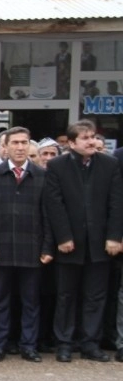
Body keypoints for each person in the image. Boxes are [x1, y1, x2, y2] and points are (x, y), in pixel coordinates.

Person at [44, 120, 123, 362]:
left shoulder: (110, 164)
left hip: (101, 244)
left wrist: (114, 237)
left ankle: (90, 343)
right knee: (66, 295)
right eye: (85, 137)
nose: (92, 141)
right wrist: (64, 237)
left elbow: (116, 202)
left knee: (95, 296)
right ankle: (65, 343)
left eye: (93, 136)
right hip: (70, 244)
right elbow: (54, 204)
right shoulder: (57, 166)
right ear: (71, 143)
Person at [0, 127, 52, 362]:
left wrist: (48, 247)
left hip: (32, 249)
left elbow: (49, 216)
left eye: (24, 142)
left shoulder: (41, 176)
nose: (20, 147)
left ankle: (28, 345)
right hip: (0, 250)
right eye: (15, 143)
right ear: (5, 147)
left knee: (31, 301)